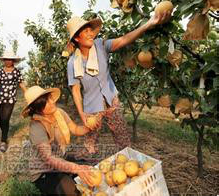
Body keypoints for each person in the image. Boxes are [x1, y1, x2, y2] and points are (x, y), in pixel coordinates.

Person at [66, 13, 171, 156]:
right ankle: (86, 169)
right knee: (90, 142)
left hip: (111, 98)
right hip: (92, 106)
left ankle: (128, 160)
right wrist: (82, 114)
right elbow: (76, 90)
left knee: (121, 136)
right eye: (86, 31)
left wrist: (148, 24)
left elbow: (123, 40)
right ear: (77, 38)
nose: (91, 34)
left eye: (91, 30)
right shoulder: (73, 63)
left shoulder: (101, 45)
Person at [22, 86, 96, 196]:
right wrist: (76, 168)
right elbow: (49, 159)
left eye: (50, 98)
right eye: (45, 102)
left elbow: (75, 129)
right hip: (44, 171)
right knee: (71, 191)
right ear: (37, 109)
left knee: (89, 170)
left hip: (60, 158)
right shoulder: (36, 127)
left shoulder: (59, 113)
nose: (52, 102)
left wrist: (89, 127)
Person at [0, 49, 26, 153]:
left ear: (13, 61)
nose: (8, 61)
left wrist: (28, 94)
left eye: (10, 59)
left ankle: (3, 141)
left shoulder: (16, 72)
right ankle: (4, 133)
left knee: (5, 119)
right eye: (6, 59)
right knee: (1, 119)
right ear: (3, 60)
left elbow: (21, 84)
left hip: (10, 99)